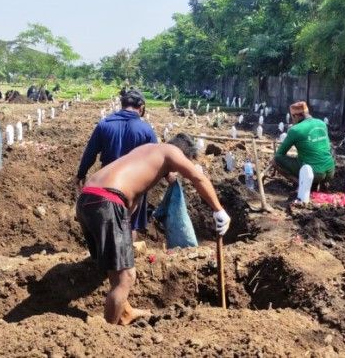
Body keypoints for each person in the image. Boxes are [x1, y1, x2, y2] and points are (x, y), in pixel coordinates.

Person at [76, 133, 231, 325]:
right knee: (126, 277)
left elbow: (131, 202)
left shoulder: (146, 152)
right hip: (108, 201)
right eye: (181, 166)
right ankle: (108, 335)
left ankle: (125, 312)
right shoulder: (171, 151)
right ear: (182, 154)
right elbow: (198, 178)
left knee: (114, 267)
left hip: (86, 199)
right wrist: (219, 210)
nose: (177, 174)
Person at [75, 90, 157, 236]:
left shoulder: (104, 125)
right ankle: (127, 256)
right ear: (141, 107)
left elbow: (90, 153)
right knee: (130, 225)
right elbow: (156, 160)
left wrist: (81, 174)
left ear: (122, 104)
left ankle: (105, 256)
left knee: (108, 223)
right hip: (136, 185)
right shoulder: (146, 130)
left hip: (109, 184)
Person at [274, 101, 335, 189]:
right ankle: (322, 183)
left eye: (292, 117)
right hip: (330, 171)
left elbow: (279, 154)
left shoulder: (295, 130)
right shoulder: (321, 123)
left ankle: (301, 184)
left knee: (276, 160)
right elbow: (328, 147)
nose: (292, 120)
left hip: (314, 174)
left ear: (295, 116)